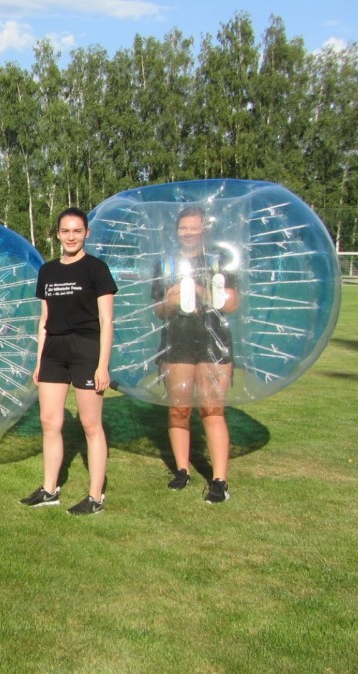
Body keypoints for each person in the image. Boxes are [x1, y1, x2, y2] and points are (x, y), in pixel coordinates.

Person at [21, 207, 117, 515]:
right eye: (65, 231)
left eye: (77, 231)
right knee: (50, 421)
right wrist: (39, 361)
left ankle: (95, 497)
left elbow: (107, 321)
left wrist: (102, 365)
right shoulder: (47, 271)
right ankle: (50, 490)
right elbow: (44, 319)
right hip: (53, 351)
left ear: (86, 233)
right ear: (58, 234)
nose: (71, 237)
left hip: (86, 350)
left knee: (90, 424)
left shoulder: (96, 269)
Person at [153, 206, 239, 503]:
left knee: (211, 410)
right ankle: (182, 470)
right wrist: (170, 301)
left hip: (213, 345)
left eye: (193, 227)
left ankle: (219, 479)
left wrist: (202, 292)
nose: (188, 232)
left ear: (204, 229)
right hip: (177, 343)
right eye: (183, 228)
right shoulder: (166, 265)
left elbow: (232, 304)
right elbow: (159, 311)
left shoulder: (219, 262)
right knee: (178, 409)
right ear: (176, 231)